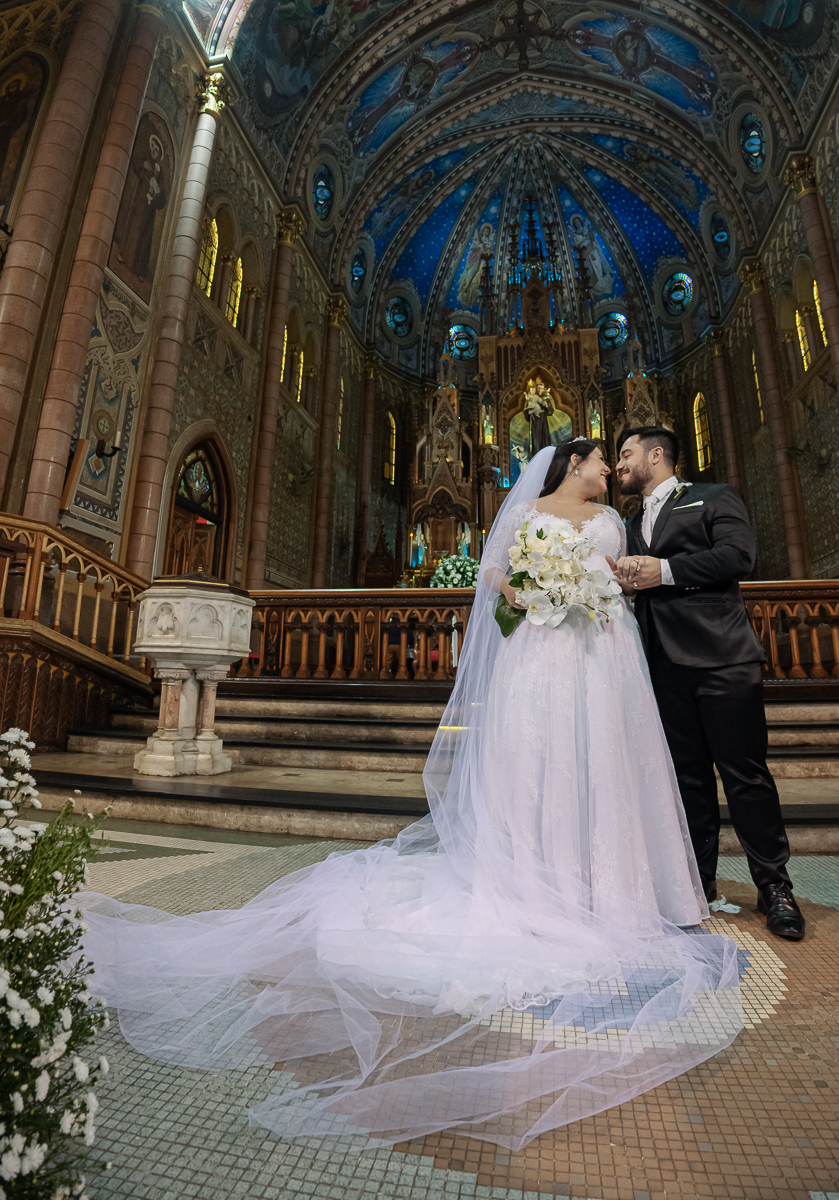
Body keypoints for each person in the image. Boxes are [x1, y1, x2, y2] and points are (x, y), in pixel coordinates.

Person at [79, 438, 741, 1153]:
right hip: (542, 655)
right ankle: (538, 882)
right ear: (570, 465)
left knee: (604, 766)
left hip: (604, 654)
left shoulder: (614, 520)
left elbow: (626, 578)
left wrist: (596, 590)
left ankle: (609, 885)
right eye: (599, 459)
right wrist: (528, 592)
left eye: (615, 458)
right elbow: (495, 574)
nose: (609, 467)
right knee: (539, 769)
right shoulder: (527, 515)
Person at [611, 426, 803, 941]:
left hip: (721, 658)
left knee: (745, 776)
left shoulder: (713, 497)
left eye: (626, 454)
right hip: (661, 665)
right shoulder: (628, 523)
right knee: (687, 779)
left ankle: (775, 886)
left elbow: (739, 556)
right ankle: (698, 881)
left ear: (657, 454)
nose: (619, 464)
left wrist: (664, 570)